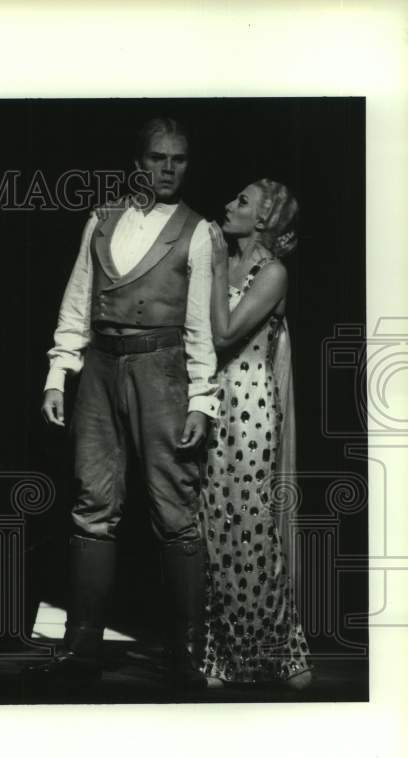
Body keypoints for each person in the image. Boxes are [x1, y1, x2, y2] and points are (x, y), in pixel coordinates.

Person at [32, 117, 220, 689]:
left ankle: (186, 653)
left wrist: (200, 400)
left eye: (179, 159)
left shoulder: (199, 232)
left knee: (174, 510)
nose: (168, 169)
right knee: (93, 502)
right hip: (102, 371)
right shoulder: (102, 218)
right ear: (139, 162)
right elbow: (76, 302)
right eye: (158, 158)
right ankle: (81, 644)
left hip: (162, 372)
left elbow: (200, 327)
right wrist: (58, 375)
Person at [205, 180, 312, 689]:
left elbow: (224, 335)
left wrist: (206, 271)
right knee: (212, 531)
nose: (228, 204)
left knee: (252, 532)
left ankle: (284, 655)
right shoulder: (219, 262)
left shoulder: (272, 273)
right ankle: (219, 655)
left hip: (250, 408)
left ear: (265, 220)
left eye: (242, 201)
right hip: (209, 405)